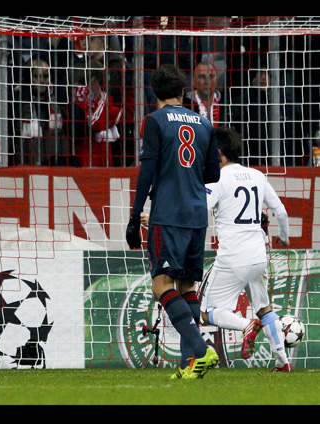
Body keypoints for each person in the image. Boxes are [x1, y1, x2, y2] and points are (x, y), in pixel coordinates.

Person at [125, 63, 221, 379]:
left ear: (155, 93)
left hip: (168, 213)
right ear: (182, 91)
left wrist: (134, 216)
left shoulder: (154, 121)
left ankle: (201, 351)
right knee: (187, 285)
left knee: (161, 285)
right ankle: (188, 365)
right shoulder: (204, 123)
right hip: (197, 214)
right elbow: (213, 174)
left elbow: (147, 170)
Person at [200, 126, 291, 372]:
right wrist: (284, 238)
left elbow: (198, 210)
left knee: (207, 312)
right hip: (258, 255)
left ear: (219, 154)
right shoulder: (257, 175)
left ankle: (245, 326)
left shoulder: (217, 179)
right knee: (264, 309)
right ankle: (283, 362)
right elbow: (281, 211)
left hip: (232, 257)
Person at [72, 63, 122, 167]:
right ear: (93, 80)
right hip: (88, 151)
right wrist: (102, 99)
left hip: (103, 151)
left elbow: (111, 119)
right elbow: (96, 124)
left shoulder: (100, 96)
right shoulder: (80, 95)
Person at [183, 61, 223, 127]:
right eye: (202, 77)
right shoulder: (184, 106)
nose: (207, 82)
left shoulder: (227, 105)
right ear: (194, 81)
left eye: (211, 76)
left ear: (217, 80)